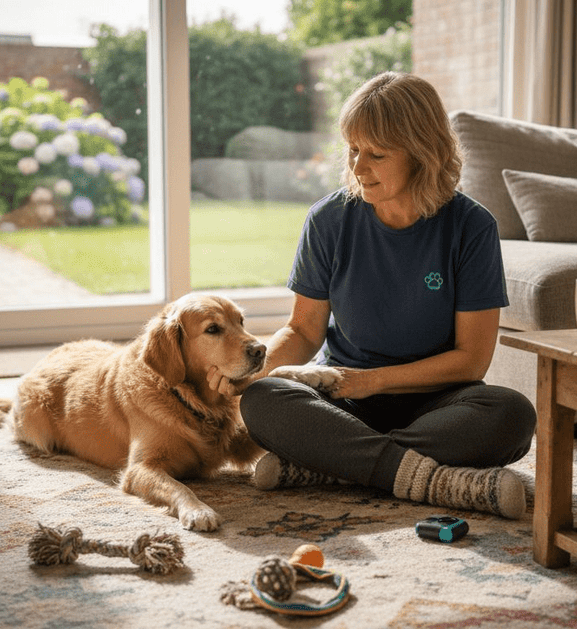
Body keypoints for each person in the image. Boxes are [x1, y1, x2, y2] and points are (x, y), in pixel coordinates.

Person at [209, 72, 536, 519]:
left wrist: (373, 380)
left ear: (422, 154)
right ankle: (432, 479)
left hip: (437, 404)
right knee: (264, 399)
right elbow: (303, 331)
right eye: (353, 150)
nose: (359, 167)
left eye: (376, 154)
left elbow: (471, 360)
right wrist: (252, 371)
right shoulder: (328, 220)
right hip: (341, 402)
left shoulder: (472, 227)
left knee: (512, 414)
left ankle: (330, 466)